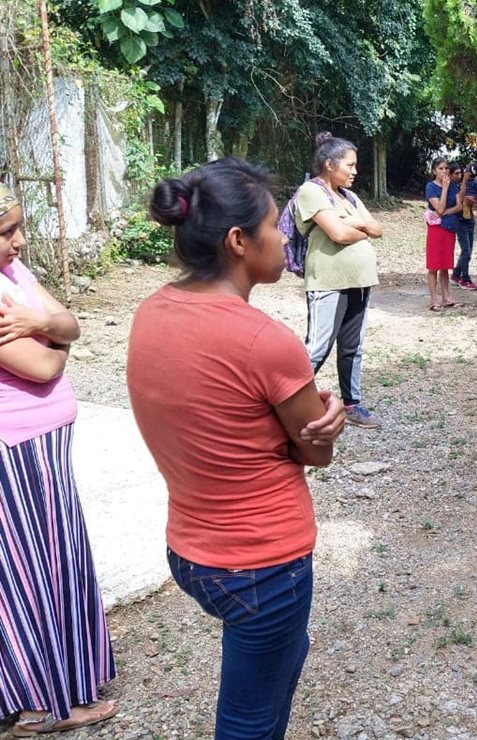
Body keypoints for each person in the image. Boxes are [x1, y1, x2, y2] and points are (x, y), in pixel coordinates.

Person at [128, 158, 346, 738]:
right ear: (238, 241)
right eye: (275, 226)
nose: (284, 238)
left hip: (189, 551)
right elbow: (316, 453)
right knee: (249, 721)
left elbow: (210, 422)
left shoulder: (152, 312)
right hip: (261, 563)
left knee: (282, 664)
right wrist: (323, 424)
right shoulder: (264, 341)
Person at [0, 184, 117, 736]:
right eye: (6, 232)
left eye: (17, 227)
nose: (19, 241)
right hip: (16, 450)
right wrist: (52, 333)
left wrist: (46, 326)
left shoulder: (13, 275)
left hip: (43, 448)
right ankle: (37, 706)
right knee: (25, 575)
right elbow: (43, 366)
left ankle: (60, 687)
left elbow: (71, 322)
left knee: (56, 563)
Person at [298, 132, 384, 429]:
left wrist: (352, 222)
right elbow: (337, 234)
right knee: (317, 348)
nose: (355, 171)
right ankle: (289, 403)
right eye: (350, 165)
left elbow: (377, 229)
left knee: (351, 347)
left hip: (359, 281)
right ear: (329, 164)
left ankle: (352, 404)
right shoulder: (311, 192)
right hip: (327, 281)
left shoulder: (349, 197)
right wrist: (358, 226)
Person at [425, 157, 462, 311]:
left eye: (446, 168)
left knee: (445, 265)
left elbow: (459, 206)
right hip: (436, 229)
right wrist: (445, 189)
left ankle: (446, 297)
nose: (444, 171)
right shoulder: (431, 187)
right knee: (434, 265)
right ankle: (434, 300)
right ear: (434, 171)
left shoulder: (453, 185)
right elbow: (438, 208)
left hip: (449, 228)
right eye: (440, 168)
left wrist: (445, 212)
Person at [451, 163, 477, 292]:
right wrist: (464, 181)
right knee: (466, 252)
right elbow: (456, 200)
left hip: (470, 219)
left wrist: (474, 201)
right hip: (459, 220)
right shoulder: (456, 184)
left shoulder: (475, 183)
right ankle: (465, 279)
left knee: (467, 251)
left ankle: (456, 274)